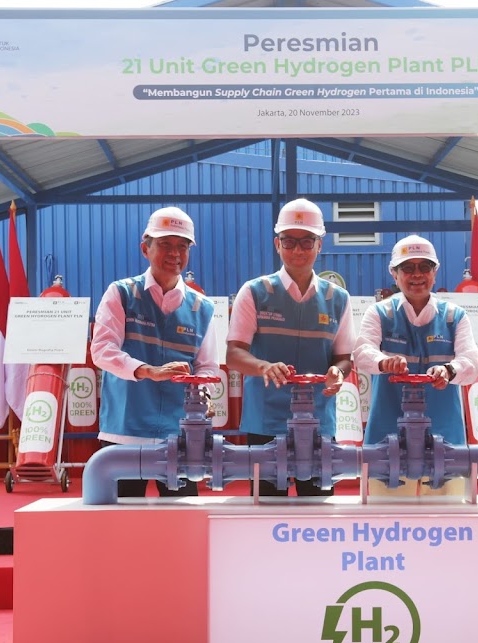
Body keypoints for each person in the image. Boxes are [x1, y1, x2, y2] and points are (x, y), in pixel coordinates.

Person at [226, 198, 356, 497]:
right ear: (277, 244)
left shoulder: (338, 298)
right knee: (267, 510)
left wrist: (338, 372)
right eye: (289, 241)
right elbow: (234, 354)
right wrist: (264, 367)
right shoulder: (255, 292)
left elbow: (343, 358)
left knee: (319, 511)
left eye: (307, 241)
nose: (298, 250)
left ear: (319, 245)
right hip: (266, 421)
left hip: (319, 421)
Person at [91, 206, 219, 497]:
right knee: (121, 518)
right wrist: (149, 371)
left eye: (182, 246)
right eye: (165, 244)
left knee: (183, 518)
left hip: (181, 435)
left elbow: (208, 368)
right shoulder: (122, 294)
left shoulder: (203, 308)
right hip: (124, 432)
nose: (175, 253)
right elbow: (101, 349)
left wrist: (203, 394)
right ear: (145, 249)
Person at [354, 235, 478, 495]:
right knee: (385, 519)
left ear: (435, 271)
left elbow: (470, 363)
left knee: (448, 518)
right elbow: (363, 353)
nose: (417, 275)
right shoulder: (379, 313)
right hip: (386, 439)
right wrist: (384, 362)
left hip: (446, 439)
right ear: (394, 273)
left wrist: (448, 370)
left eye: (425, 267)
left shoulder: (454, 316)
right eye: (408, 268)